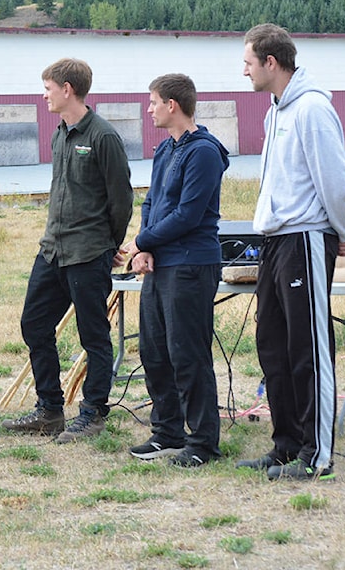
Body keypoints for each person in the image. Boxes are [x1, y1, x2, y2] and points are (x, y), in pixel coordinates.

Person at [237, 23, 345, 480]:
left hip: (305, 237)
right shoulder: (275, 113)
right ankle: (286, 444)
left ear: (271, 62)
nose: (243, 71)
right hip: (274, 241)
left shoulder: (311, 109)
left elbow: (335, 182)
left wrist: (342, 230)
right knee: (273, 345)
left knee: (308, 346)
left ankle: (317, 455)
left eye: (248, 62)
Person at [2, 58, 133, 443]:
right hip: (52, 251)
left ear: (67, 89)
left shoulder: (104, 137)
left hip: (88, 253)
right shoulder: (60, 134)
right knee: (34, 324)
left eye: (47, 88)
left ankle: (93, 413)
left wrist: (107, 245)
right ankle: (50, 410)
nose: (44, 95)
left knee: (93, 335)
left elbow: (121, 200)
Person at [120, 74, 229, 467]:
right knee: (155, 351)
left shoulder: (203, 152)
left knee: (188, 354)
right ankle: (167, 432)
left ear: (173, 105)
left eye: (153, 102)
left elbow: (187, 214)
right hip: (162, 262)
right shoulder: (166, 150)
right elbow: (152, 204)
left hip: (190, 263)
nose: (148, 110)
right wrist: (144, 248)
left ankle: (202, 443)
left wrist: (142, 243)